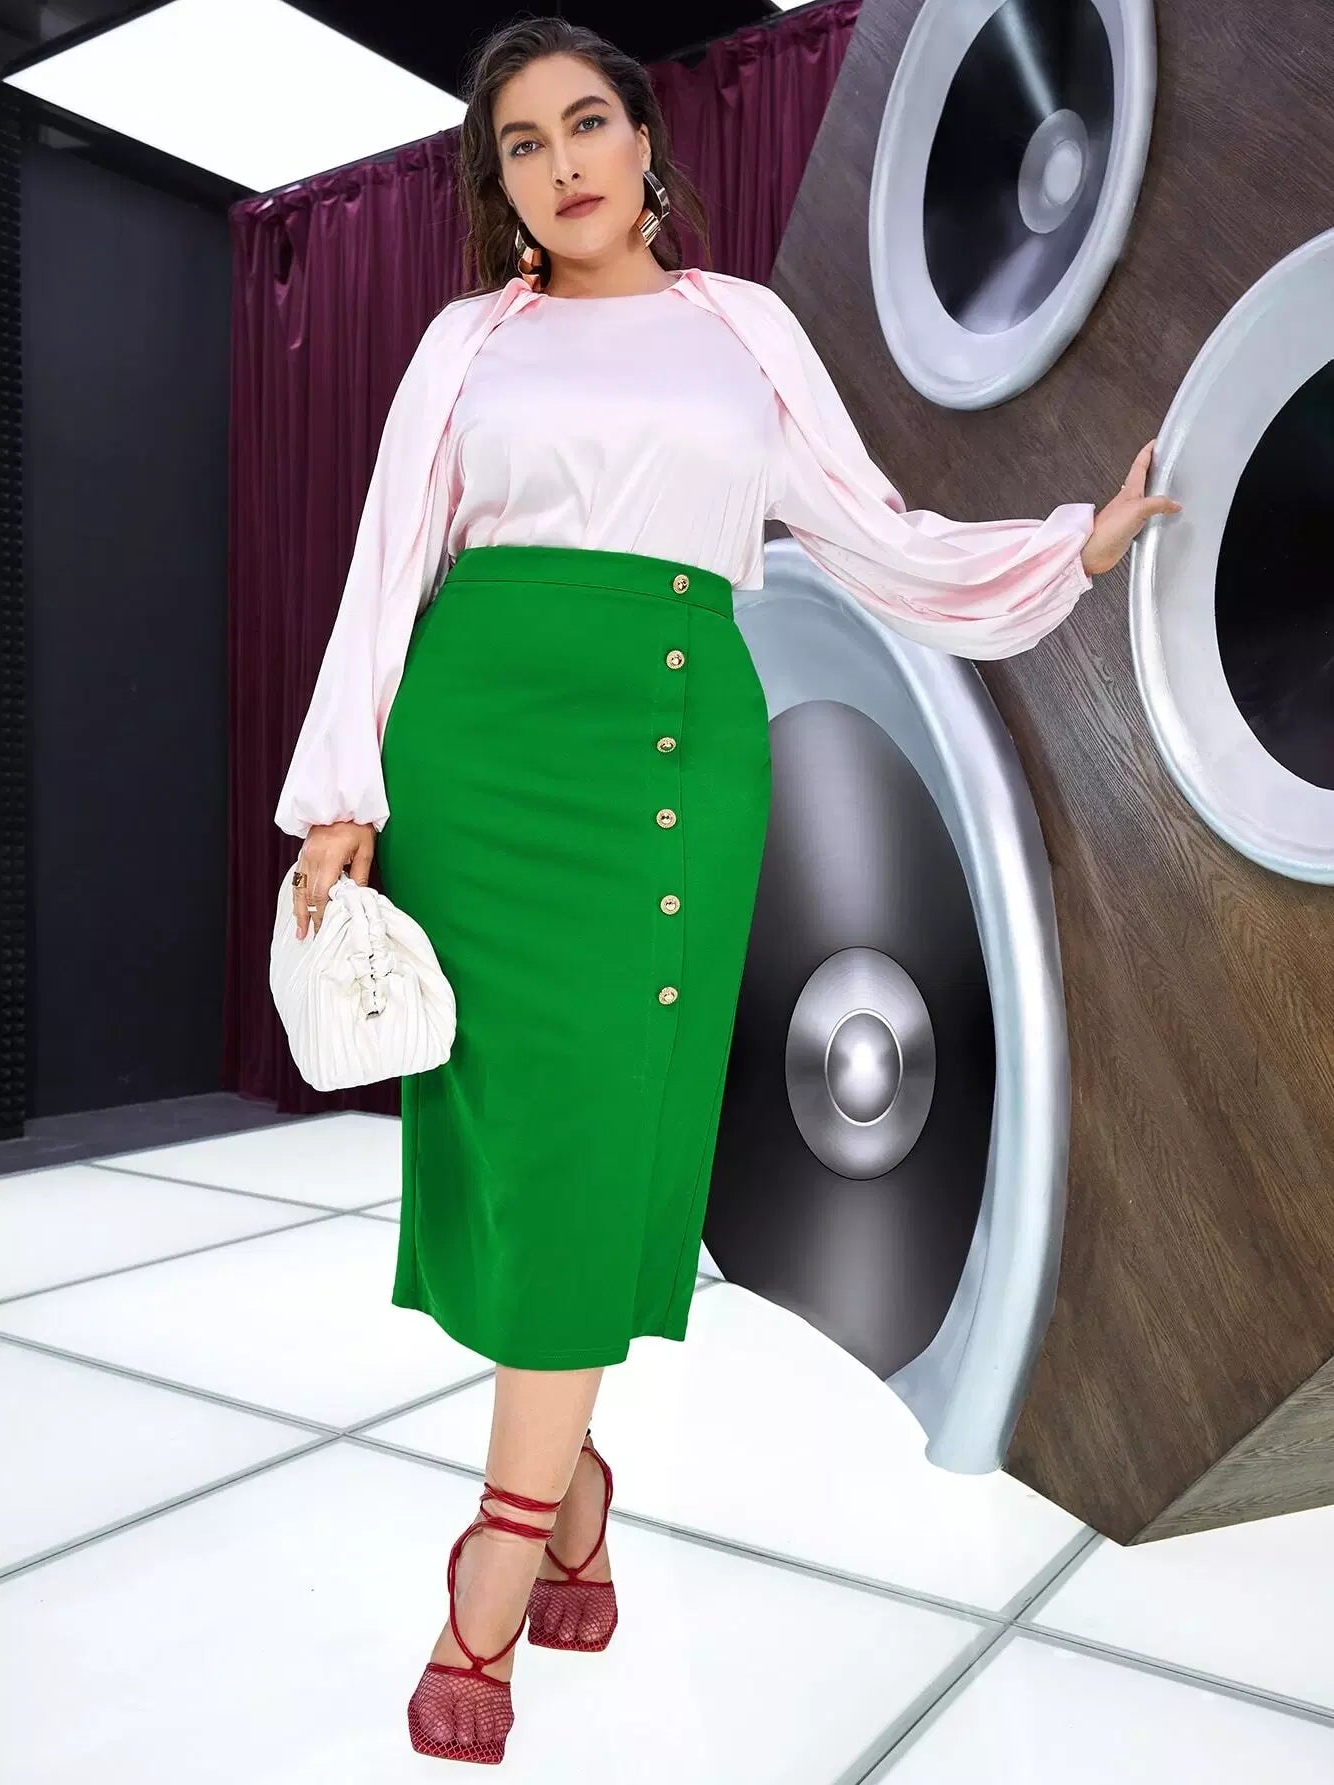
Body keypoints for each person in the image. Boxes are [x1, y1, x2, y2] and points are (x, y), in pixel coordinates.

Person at [273, 17, 1182, 1767]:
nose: (561, 162)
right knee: (519, 1150)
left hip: (666, 774)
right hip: (479, 765)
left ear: (644, 140)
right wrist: (341, 805)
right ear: (501, 188)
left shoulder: (744, 331)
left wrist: (1064, 546)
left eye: (585, 121)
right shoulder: (467, 345)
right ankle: (568, 1495)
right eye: (522, 144)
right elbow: (389, 567)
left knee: (598, 1138)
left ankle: (496, 1554)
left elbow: (872, 531)